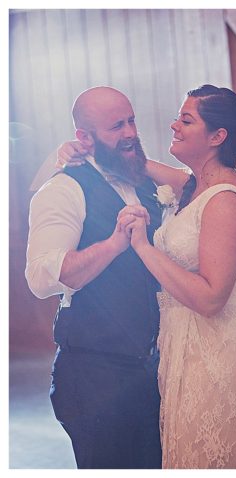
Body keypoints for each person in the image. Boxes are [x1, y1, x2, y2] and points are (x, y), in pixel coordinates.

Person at [100, 84, 236, 468]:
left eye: (186, 120)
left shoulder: (224, 200)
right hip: (188, 344)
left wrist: (143, 246)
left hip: (219, 349)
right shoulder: (194, 184)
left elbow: (209, 298)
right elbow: (134, 166)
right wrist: (78, 150)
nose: (174, 125)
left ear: (217, 136)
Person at [26, 86, 163, 468]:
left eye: (131, 121)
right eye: (116, 126)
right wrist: (114, 244)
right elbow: (40, 277)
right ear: (84, 138)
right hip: (96, 376)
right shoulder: (62, 190)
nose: (130, 132)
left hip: (155, 371)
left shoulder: (144, 181)